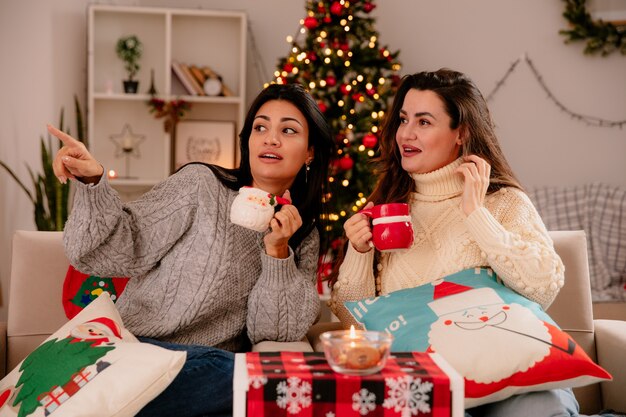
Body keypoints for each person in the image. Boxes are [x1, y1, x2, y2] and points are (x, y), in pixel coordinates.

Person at [49, 83, 335, 417]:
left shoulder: (302, 233)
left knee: (247, 376)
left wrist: (277, 253)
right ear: (249, 139)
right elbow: (110, 251)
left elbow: (274, 332)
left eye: (288, 130)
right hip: (135, 349)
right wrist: (93, 182)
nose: (271, 138)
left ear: (310, 151)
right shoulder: (200, 185)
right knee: (251, 378)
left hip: (201, 376)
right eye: (260, 127)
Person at [328, 69, 586, 416]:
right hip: (432, 387)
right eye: (404, 119)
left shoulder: (503, 201)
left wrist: (476, 213)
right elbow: (355, 325)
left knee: (543, 408)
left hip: (517, 380)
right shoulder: (386, 212)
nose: (406, 133)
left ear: (460, 133)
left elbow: (543, 287)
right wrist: (359, 254)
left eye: (424, 122)